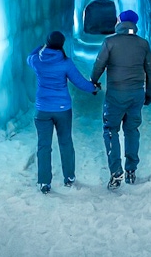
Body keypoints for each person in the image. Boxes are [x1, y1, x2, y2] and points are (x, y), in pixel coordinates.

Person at [27, 31, 99, 194]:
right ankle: (69, 177)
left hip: (42, 109)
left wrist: (41, 46)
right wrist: (93, 88)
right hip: (62, 109)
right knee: (65, 142)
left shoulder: (37, 60)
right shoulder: (66, 63)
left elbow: (29, 56)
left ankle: (44, 182)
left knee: (43, 146)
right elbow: (80, 82)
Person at [90, 10, 151, 190]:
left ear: (120, 21)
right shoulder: (143, 44)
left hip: (116, 94)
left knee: (111, 130)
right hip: (136, 94)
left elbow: (99, 65)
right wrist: (148, 92)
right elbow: (150, 70)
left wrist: (93, 83)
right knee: (132, 130)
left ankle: (116, 171)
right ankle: (131, 170)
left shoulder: (110, 42)